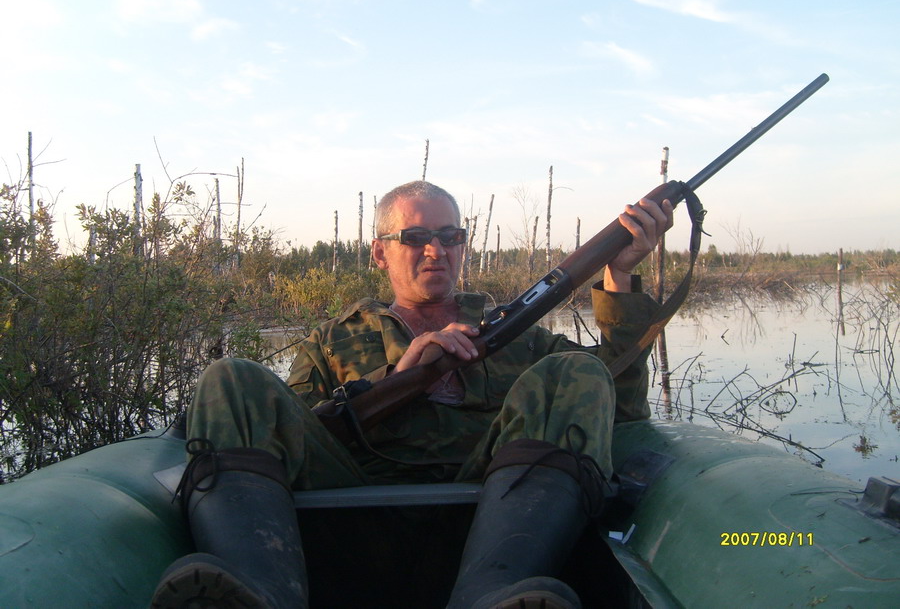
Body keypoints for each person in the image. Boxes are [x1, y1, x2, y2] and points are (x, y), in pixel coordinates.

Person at [151, 180, 673, 609]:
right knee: (232, 377)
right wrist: (399, 376)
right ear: (380, 252)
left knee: (576, 369)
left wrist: (620, 274)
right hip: (350, 516)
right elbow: (293, 434)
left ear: (463, 246)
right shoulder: (332, 341)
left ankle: (495, 594)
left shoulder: (519, 337)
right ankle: (258, 590)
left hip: (499, 513)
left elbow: (620, 406)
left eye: (450, 236)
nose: (435, 250)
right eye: (416, 236)